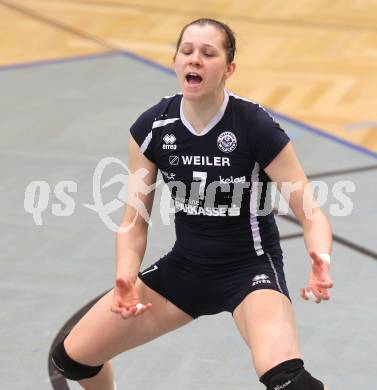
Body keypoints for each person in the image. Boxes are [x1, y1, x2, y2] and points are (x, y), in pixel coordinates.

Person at [51, 18, 333, 390]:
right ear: (176, 61)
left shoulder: (254, 125)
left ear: (229, 68)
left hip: (249, 272)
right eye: (187, 51)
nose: (194, 60)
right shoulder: (153, 128)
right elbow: (134, 221)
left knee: (287, 380)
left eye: (208, 53)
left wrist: (320, 259)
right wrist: (125, 275)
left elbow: (310, 211)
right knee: (73, 359)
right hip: (186, 270)